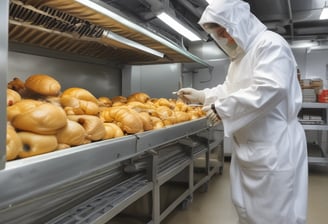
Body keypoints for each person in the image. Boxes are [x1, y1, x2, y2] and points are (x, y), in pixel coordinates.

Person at [177, 0, 308, 223]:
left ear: (239, 23)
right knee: (247, 211)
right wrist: (202, 96)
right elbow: (231, 90)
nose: (226, 38)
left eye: (227, 30)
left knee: (274, 215)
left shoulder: (270, 45)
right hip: (249, 148)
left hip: (274, 147)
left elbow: (270, 88)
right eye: (219, 34)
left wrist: (222, 109)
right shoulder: (239, 57)